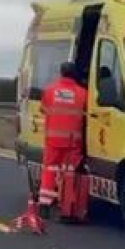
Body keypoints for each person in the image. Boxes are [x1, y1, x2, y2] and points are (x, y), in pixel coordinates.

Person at [38, 61, 87, 218]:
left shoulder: (50, 91)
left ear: (61, 73)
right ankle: (67, 206)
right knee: (69, 173)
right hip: (73, 142)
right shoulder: (83, 93)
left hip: (53, 141)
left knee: (50, 171)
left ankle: (44, 205)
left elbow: (43, 109)